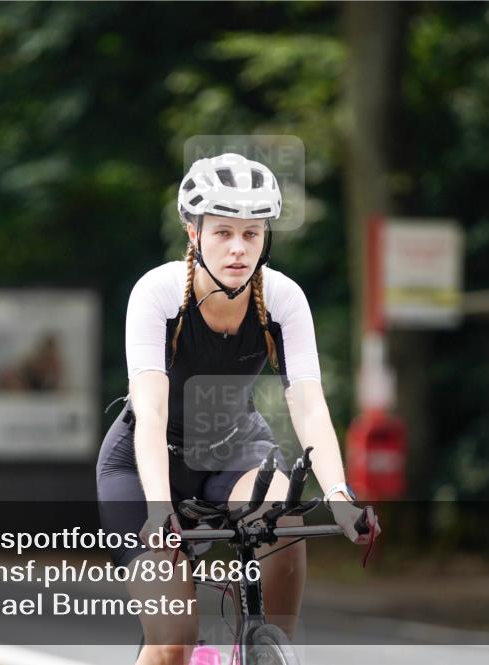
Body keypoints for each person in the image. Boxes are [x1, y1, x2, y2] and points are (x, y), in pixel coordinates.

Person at [96, 153, 369, 665]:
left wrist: (339, 495)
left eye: (252, 233)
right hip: (146, 465)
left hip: (232, 449)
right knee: (173, 641)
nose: (239, 249)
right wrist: (159, 511)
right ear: (193, 232)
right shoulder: (156, 294)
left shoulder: (282, 299)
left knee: (283, 513)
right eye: (223, 232)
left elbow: (309, 406)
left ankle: (272, 650)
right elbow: (151, 413)